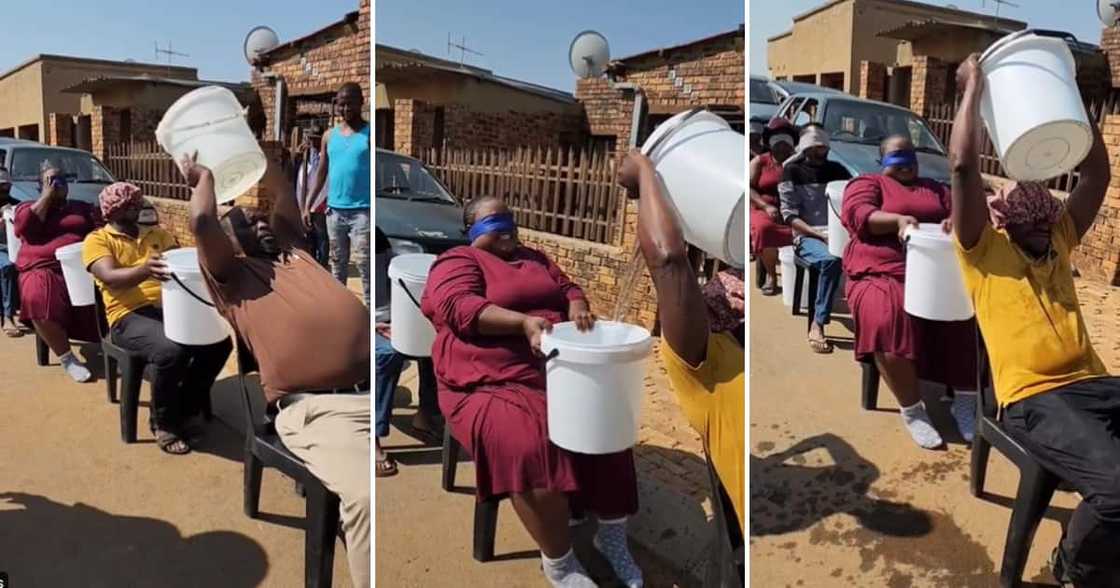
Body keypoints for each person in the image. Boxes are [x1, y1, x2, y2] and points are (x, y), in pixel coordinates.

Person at [951, 54, 1118, 586]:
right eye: (1032, 223)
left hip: (1093, 384)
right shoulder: (983, 251)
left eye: (1047, 220)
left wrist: (1068, 94)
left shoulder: (1059, 241)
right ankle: (1071, 565)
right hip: (1033, 398)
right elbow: (962, 168)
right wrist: (972, 90)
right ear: (1007, 223)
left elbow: (1097, 171)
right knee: (1116, 488)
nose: (1044, 229)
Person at [420, 196, 641, 588]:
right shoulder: (458, 261)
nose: (505, 227)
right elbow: (458, 306)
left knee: (607, 426)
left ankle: (610, 536)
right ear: (471, 230)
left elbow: (568, 286)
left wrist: (577, 305)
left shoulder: (534, 257)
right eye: (492, 221)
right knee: (529, 444)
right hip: (485, 379)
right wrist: (523, 323)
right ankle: (559, 561)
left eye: (509, 219)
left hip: (553, 368)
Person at [182, 153, 371, 588]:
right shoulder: (232, 278)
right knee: (364, 499)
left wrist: (256, 156)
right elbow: (202, 224)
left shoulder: (295, 253)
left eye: (261, 217)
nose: (260, 221)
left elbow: (284, 192)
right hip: (318, 411)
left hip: (368, 397)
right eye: (247, 221)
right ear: (228, 243)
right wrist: (205, 177)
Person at [617, 150, 745, 561]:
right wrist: (645, 170)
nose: (740, 289)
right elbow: (670, 260)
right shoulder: (708, 358)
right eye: (734, 287)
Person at [839, 135, 978, 449]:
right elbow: (859, 215)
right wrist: (898, 221)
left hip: (936, 271)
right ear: (882, 159)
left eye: (910, 154)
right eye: (896, 154)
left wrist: (953, 222)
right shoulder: (868, 183)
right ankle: (913, 409)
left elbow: (962, 211)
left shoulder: (935, 187)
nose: (905, 161)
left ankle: (965, 400)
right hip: (880, 270)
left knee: (966, 314)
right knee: (887, 316)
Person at [83, 182, 232, 455]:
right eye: (130, 204)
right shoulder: (98, 240)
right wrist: (144, 270)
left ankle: (186, 408)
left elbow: (183, 262)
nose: (137, 206)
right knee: (170, 350)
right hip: (126, 317)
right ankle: (164, 423)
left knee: (219, 343)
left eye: (137, 202)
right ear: (113, 211)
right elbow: (108, 277)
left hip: (170, 309)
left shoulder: (157, 234)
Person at [12, 162, 99, 381]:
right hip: (43, 267)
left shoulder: (80, 207)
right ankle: (67, 357)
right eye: (51, 180)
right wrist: (47, 196)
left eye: (62, 180)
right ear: (40, 185)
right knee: (36, 294)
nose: (59, 184)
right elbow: (24, 229)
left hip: (80, 266)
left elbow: (100, 228)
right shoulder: (28, 207)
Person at [374, 228, 443, 477]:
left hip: (398, 319)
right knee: (386, 355)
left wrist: (404, 325)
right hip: (368, 324)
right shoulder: (340, 257)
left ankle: (426, 414)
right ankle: (373, 436)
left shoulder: (395, 251)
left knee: (434, 346)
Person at [779, 126, 852, 353]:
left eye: (823, 146)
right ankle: (817, 324)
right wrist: (817, 234)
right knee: (831, 259)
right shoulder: (792, 172)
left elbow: (853, 196)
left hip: (837, 233)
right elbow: (789, 216)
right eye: (816, 146)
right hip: (806, 236)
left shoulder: (838, 170)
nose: (821, 150)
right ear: (806, 147)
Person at [306, 82, 371, 307]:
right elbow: (321, 171)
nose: (345, 109)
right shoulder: (328, 136)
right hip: (334, 211)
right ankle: (340, 308)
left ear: (361, 102)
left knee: (365, 263)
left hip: (363, 211)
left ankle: (371, 314)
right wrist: (309, 203)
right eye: (341, 105)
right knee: (337, 264)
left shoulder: (370, 134)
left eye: (350, 103)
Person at [749, 119, 797, 295]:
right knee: (764, 228)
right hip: (764, 208)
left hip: (790, 208)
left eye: (787, 144)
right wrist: (765, 206)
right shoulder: (760, 162)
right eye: (779, 144)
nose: (782, 149)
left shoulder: (796, 162)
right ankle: (771, 275)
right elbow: (748, 187)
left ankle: (796, 276)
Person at [295, 126, 330, 267]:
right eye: (310, 139)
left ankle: (322, 263)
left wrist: (314, 202)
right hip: (305, 200)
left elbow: (325, 181)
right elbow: (300, 177)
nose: (313, 143)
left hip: (320, 199)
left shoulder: (325, 155)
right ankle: (313, 261)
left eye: (316, 140)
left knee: (320, 233)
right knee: (309, 234)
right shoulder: (306, 156)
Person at [1, 168, 23, 337]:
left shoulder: (16, 204)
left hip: (14, 247)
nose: (4, 189)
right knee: (8, 266)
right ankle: (8, 317)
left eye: (6, 185)